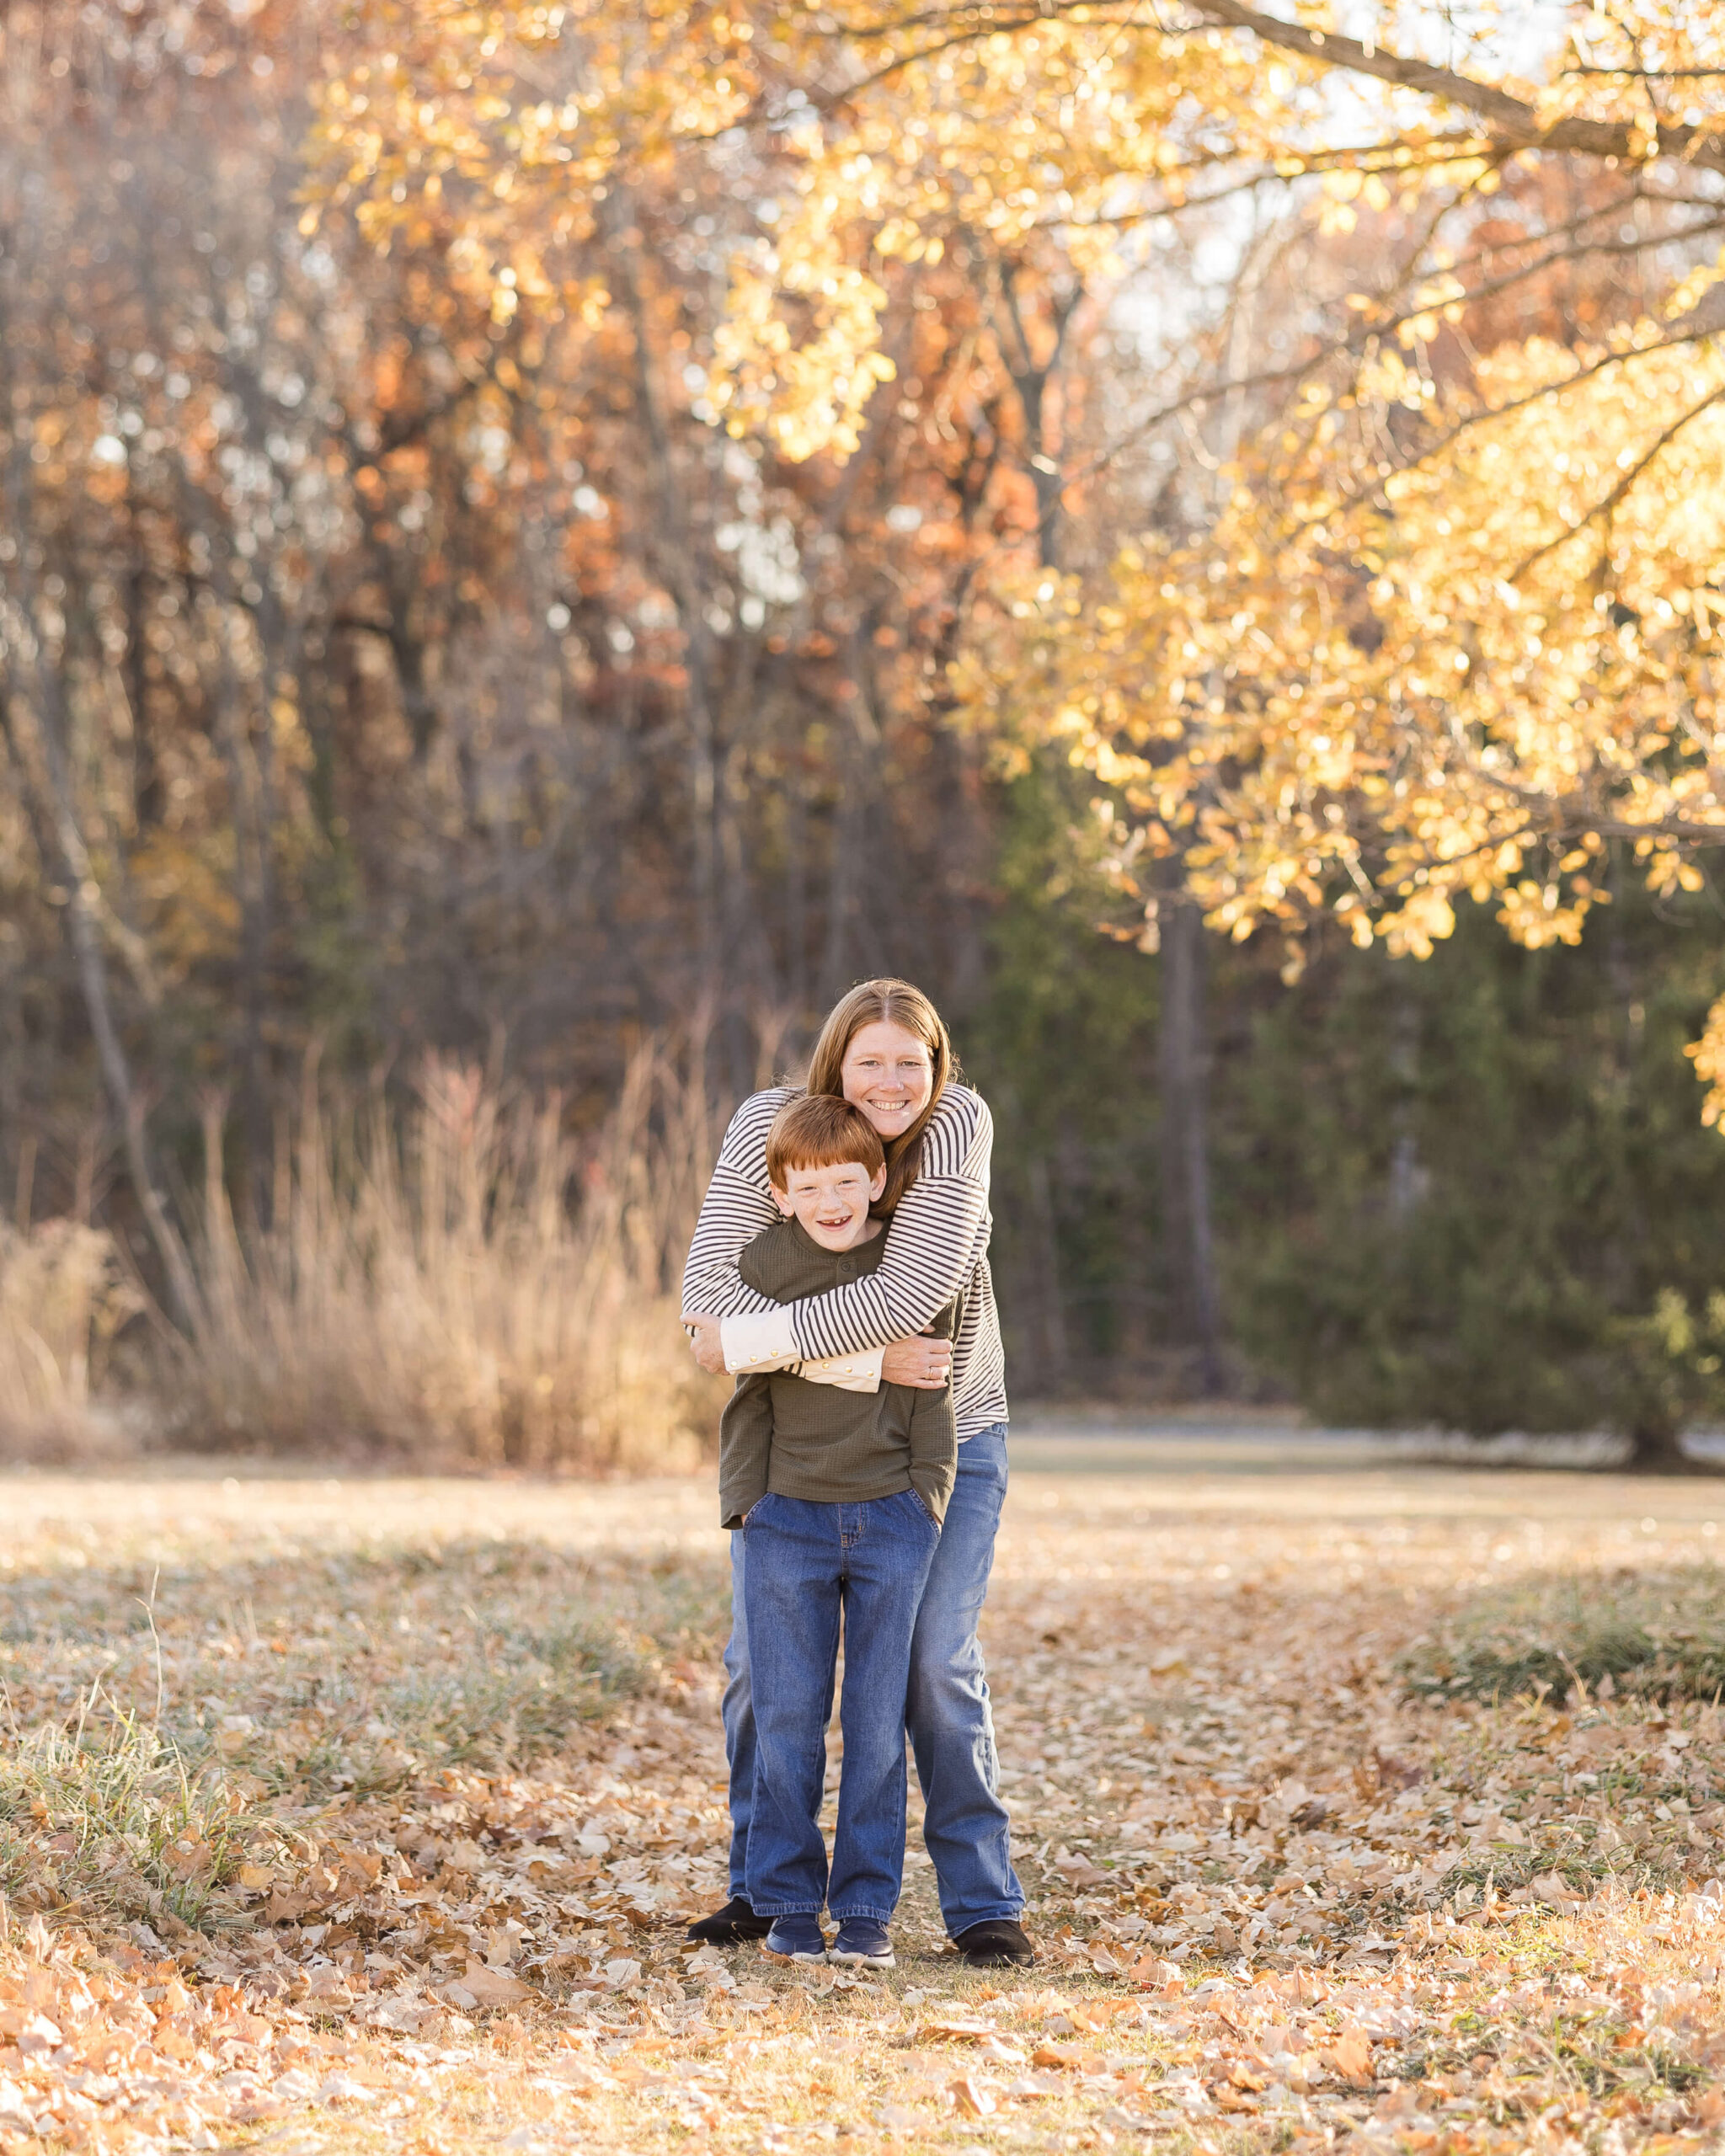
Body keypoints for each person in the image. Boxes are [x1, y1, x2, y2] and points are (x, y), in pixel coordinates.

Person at [681, 978, 1033, 1967]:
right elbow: (707, 1310)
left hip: (947, 1436)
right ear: (833, 1060)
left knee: (930, 1666)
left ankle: (978, 1899)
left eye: (908, 1063)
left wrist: (767, 1340)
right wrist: (862, 1360)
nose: (889, 1083)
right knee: (761, 1669)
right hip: (804, 1454)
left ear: (937, 1069)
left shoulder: (956, 1123)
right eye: (867, 1060)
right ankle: (762, 1886)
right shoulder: (770, 1123)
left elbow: (913, 1291)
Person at [721, 1091, 959, 1967]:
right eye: (810, 1185)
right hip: (786, 1518)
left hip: (890, 1515)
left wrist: (924, 1499)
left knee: (873, 1724)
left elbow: (928, 1393)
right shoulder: (760, 1267)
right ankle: (785, 1901)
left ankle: (864, 1910)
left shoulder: (905, 1267)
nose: (830, 1201)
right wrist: (746, 1501)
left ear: (877, 1180)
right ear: (781, 1192)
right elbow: (739, 1377)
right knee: (786, 1719)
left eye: (847, 1182)